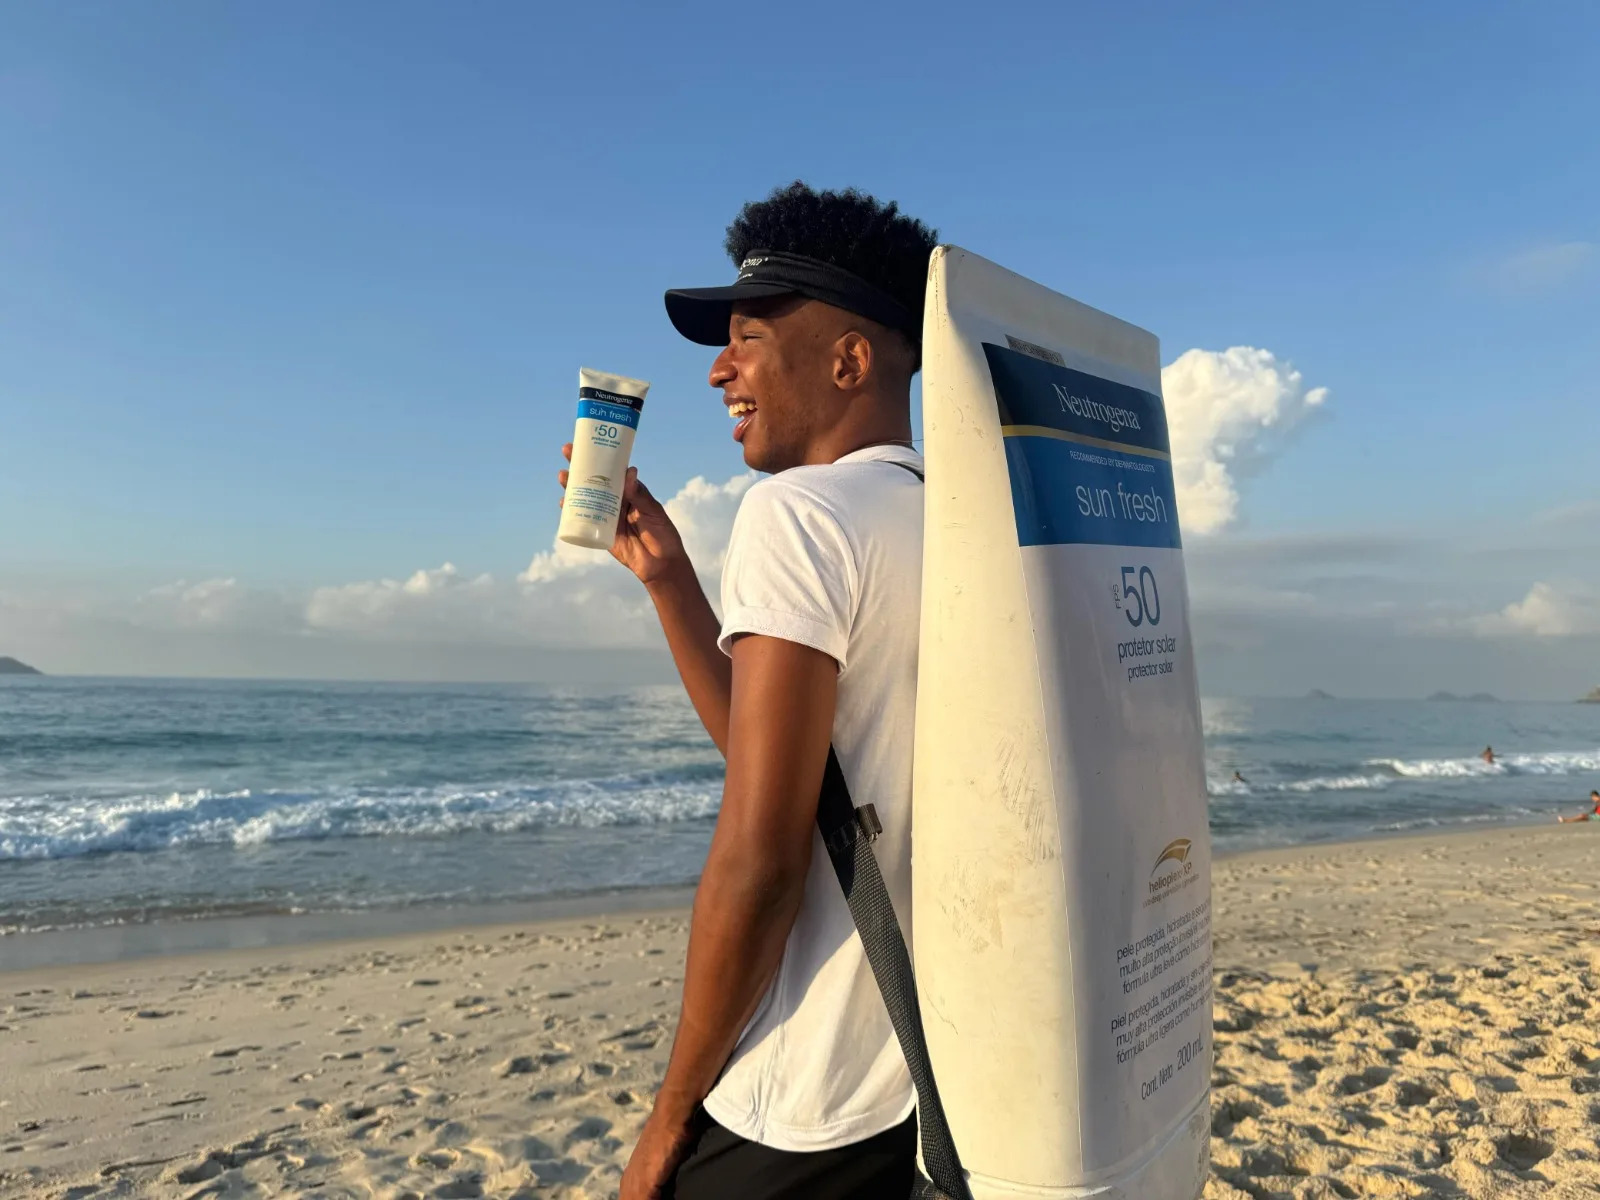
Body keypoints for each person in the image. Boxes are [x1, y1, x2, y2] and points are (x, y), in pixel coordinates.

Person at [558, 182, 938, 1200]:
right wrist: (671, 581)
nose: (719, 371)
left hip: (817, 1086)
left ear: (850, 360)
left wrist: (666, 1118)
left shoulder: (799, 514)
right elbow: (809, 780)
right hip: (936, 1075)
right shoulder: (952, 516)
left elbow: (761, 856)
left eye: (746, 340)